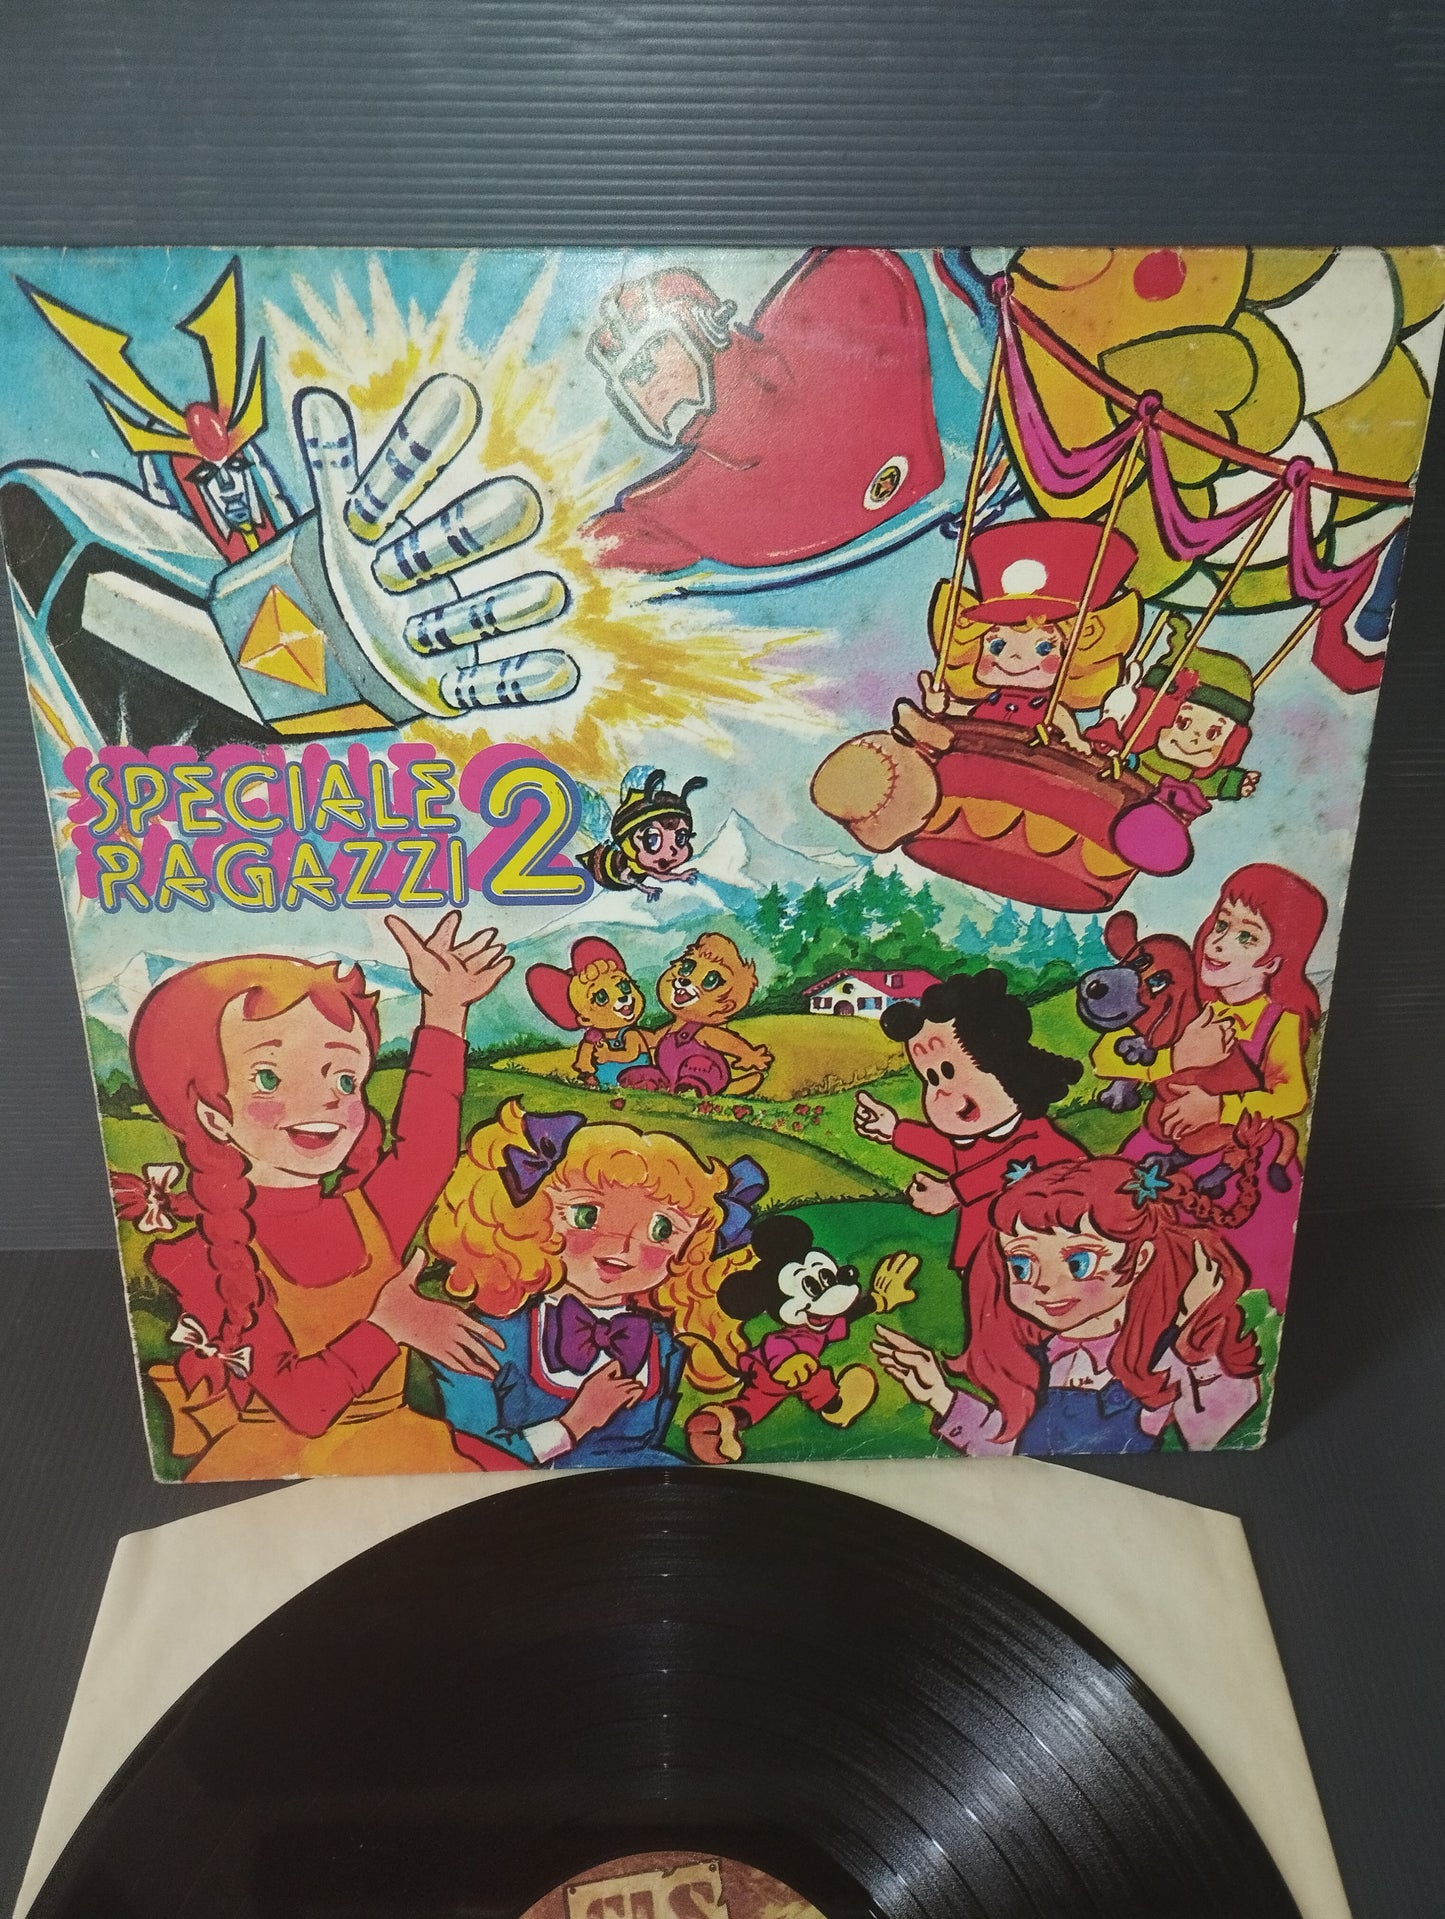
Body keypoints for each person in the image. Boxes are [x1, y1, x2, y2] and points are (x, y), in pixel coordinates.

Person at [112, 914, 514, 1479]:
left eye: (345, 1079)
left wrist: (445, 1008)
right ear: (211, 1114)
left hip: (401, 1449)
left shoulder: (369, 1212)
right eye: (269, 1078)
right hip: (282, 1468)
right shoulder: (200, 1256)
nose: (325, 1101)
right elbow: (303, 1405)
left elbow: (427, 1149)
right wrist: (389, 1325)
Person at [425, 1101, 765, 1468]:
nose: (623, 1248)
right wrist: (574, 1424)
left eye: (661, 1229)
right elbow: (469, 1456)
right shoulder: (484, 1338)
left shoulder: (662, 1343)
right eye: (587, 1215)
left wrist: (703, 1436)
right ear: (530, 1218)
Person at [872, 1152, 1264, 1456]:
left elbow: (1217, 1433)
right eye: (1021, 1265)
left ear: (1140, 1257)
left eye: (1079, 1262)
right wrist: (940, 1396)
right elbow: (1012, 1448)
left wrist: (1195, 1338)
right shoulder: (1044, 1357)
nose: (1044, 1284)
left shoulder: (1159, 1356)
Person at [1088, 863, 1327, 1309]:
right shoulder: (1189, 993)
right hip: (1161, 1141)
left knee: (1234, 1258)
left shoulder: (1278, 1019)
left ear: (1275, 959)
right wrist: (1176, 1058)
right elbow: (1105, 1055)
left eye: (1247, 936)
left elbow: (1291, 1095)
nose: (1220, 942)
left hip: (1237, 1156)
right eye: (1222, 923)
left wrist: (1219, 1107)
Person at [854, 969, 1087, 1280]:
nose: (940, 1093)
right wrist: (894, 1130)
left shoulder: (1036, 1137)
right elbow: (948, 1152)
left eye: (951, 1073)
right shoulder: (975, 1140)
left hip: (1033, 1262)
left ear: (1005, 1064)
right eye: (932, 1079)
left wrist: (953, 1191)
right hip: (977, 1261)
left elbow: (1020, 1160)